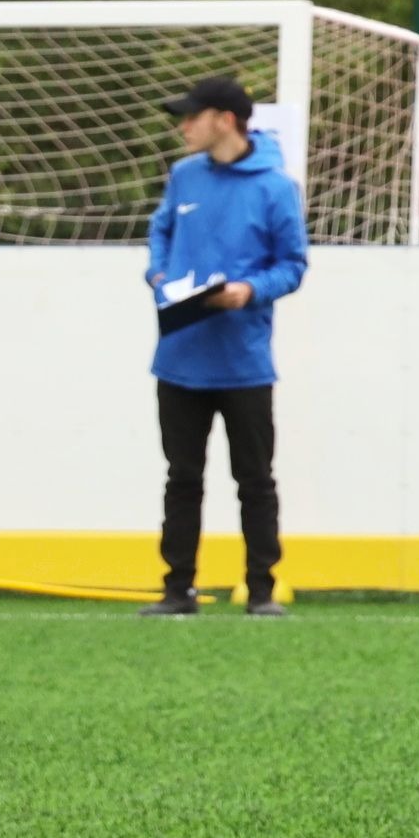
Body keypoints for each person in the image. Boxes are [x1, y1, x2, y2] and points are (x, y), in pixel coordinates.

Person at [144, 73, 310, 619]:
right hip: (180, 356)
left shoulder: (275, 186)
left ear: (226, 120)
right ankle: (177, 590)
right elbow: (161, 230)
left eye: (192, 116)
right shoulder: (183, 176)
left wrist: (248, 291)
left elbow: (292, 266)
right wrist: (160, 273)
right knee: (181, 478)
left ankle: (261, 590)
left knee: (255, 479)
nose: (184, 126)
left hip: (244, 362)